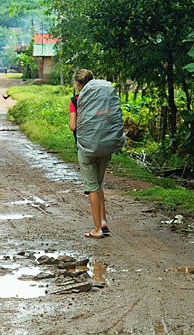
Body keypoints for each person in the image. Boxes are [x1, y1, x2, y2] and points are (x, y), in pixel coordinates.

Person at [70, 69, 114, 239]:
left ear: (79, 84)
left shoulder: (76, 100)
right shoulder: (103, 99)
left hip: (87, 147)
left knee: (92, 187)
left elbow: (73, 126)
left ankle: (97, 229)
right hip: (105, 145)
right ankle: (103, 221)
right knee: (98, 183)